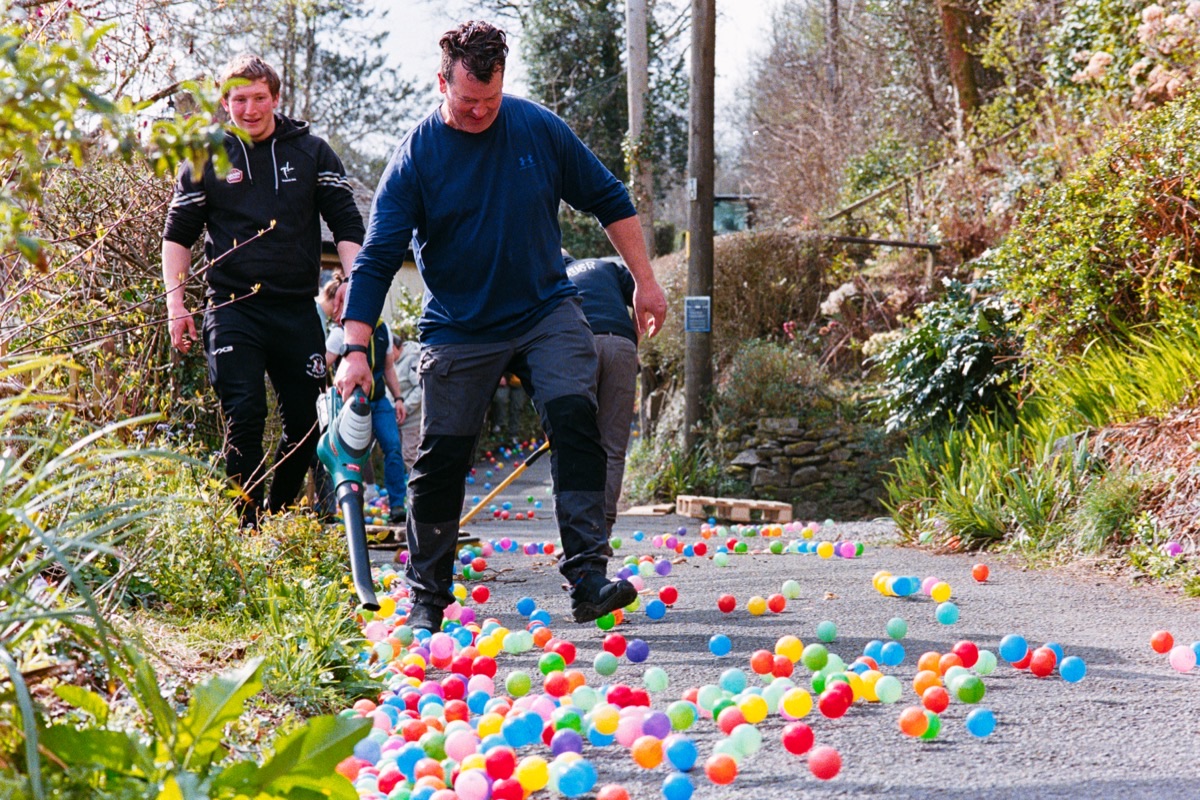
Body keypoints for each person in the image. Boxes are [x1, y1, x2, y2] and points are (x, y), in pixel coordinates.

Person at [335, 20, 667, 632]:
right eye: (467, 102)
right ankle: (428, 599)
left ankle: (589, 576)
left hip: (545, 308)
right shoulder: (416, 156)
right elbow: (379, 256)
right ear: (442, 82)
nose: (480, 112)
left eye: (491, 100)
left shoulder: (536, 127)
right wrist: (356, 344)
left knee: (575, 418)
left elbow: (609, 198)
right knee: (441, 456)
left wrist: (646, 281)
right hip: (460, 324)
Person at [162, 54, 364, 527]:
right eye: (238, 100)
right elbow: (176, 237)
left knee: (310, 421)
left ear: (275, 97)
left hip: (295, 310)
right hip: (233, 309)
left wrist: (355, 281)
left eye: (258, 98)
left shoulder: (312, 152)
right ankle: (245, 527)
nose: (249, 109)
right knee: (246, 417)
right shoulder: (204, 157)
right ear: (224, 102)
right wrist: (176, 304)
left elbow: (347, 224)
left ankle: (275, 513)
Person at [564, 252, 639, 537]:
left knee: (576, 442)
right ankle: (602, 531)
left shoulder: (554, 276)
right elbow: (640, 297)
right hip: (621, 345)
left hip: (580, 346)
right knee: (613, 445)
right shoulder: (607, 266)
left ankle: (578, 535)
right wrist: (634, 341)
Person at [325, 318, 409, 525]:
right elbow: (324, 364)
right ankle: (352, 509)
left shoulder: (383, 329)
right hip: (350, 403)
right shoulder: (339, 333)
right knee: (350, 456)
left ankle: (397, 504)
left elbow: (388, 368)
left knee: (393, 447)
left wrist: (398, 398)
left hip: (379, 401)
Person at [393, 332, 423, 471]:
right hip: (397, 418)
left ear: (395, 347)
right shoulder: (392, 362)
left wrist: (406, 407)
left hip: (412, 418)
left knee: (410, 455)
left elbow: (420, 388)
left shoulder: (412, 359)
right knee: (399, 454)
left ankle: (421, 489)